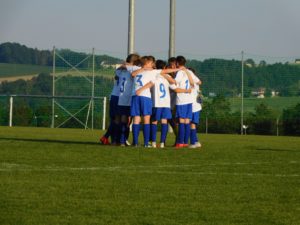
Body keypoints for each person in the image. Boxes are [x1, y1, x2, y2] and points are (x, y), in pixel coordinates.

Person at [117, 53, 141, 146]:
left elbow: (119, 69)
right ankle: (123, 140)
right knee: (128, 120)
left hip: (121, 97)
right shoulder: (133, 69)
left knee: (123, 119)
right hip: (128, 98)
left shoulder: (121, 70)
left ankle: (121, 140)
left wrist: (124, 64)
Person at [174, 56, 195, 148]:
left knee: (181, 121)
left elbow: (175, 83)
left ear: (177, 63)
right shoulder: (189, 71)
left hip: (182, 100)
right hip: (189, 100)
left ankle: (181, 142)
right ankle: (186, 142)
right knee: (187, 121)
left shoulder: (179, 72)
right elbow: (193, 83)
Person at [99, 67, 121, 145]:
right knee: (117, 119)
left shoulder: (121, 70)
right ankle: (107, 137)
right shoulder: (128, 70)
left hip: (114, 96)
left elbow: (117, 70)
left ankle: (113, 140)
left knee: (115, 119)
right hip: (118, 97)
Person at [188, 68, 202, 148]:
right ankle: (196, 141)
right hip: (197, 106)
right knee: (192, 124)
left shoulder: (191, 82)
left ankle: (193, 142)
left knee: (191, 124)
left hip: (193, 105)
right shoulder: (196, 82)